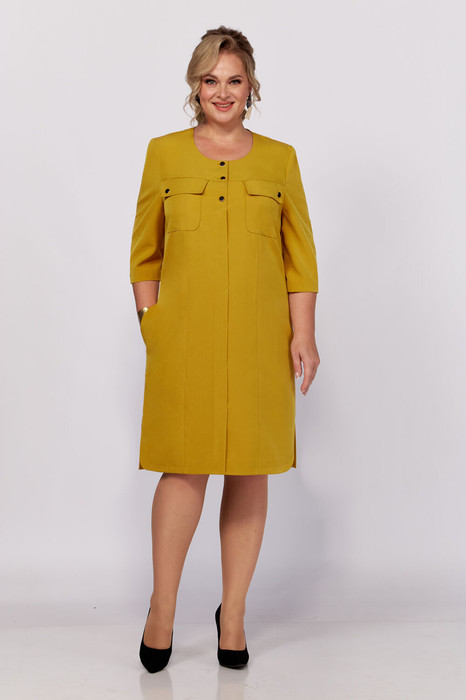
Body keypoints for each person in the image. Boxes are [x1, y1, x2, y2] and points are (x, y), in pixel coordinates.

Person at [129, 25, 320, 673]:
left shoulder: (280, 160)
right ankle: (162, 609)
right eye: (210, 79)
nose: (222, 92)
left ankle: (232, 614)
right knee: (183, 466)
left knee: (249, 467)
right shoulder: (163, 154)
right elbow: (144, 253)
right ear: (195, 85)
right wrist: (153, 323)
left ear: (251, 87)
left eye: (234, 80)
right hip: (183, 339)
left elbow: (300, 261)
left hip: (261, 342)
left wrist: (303, 334)